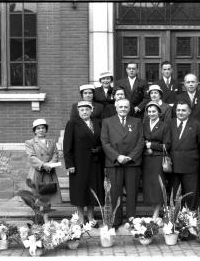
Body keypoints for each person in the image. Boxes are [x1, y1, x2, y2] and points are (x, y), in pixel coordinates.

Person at [101, 98, 144, 228]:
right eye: (121, 107)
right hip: (114, 163)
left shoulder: (137, 121)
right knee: (115, 193)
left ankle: (131, 219)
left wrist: (130, 157)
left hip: (132, 163)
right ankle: (116, 220)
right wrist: (117, 156)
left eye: (126, 107)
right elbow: (105, 142)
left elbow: (141, 141)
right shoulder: (107, 122)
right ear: (116, 107)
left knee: (132, 192)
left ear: (129, 108)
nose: (123, 109)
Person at [63, 101, 105, 227]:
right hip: (79, 163)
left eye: (87, 109)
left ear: (91, 110)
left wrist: (99, 149)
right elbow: (67, 146)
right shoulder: (72, 124)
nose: (85, 112)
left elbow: (103, 140)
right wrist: (69, 164)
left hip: (95, 163)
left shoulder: (98, 123)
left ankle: (91, 217)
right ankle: (81, 218)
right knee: (80, 190)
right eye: (82, 110)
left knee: (93, 189)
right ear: (78, 111)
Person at [25, 119, 62, 223]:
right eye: (38, 128)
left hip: (49, 173)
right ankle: (38, 220)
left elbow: (55, 154)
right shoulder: (30, 143)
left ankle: (46, 220)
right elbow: (31, 156)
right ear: (34, 131)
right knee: (37, 197)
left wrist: (51, 164)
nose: (41, 130)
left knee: (48, 197)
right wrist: (43, 164)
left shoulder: (51, 142)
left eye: (43, 128)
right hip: (37, 173)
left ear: (46, 130)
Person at [168, 101, 200, 210]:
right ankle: (175, 218)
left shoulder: (196, 124)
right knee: (175, 194)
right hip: (173, 164)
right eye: (178, 110)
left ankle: (191, 217)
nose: (180, 112)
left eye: (183, 110)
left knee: (191, 193)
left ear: (189, 112)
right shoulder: (170, 123)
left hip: (191, 164)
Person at [142, 101, 171, 218]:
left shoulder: (164, 126)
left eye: (154, 111)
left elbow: (167, 145)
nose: (151, 113)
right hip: (146, 160)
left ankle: (156, 213)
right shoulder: (143, 124)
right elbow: (140, 140)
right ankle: (153, 211)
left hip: (158, 160)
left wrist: (151, 145)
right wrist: (145, 145)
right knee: (149, 187)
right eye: (149, 111)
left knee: (158, 186)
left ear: (159, 112)